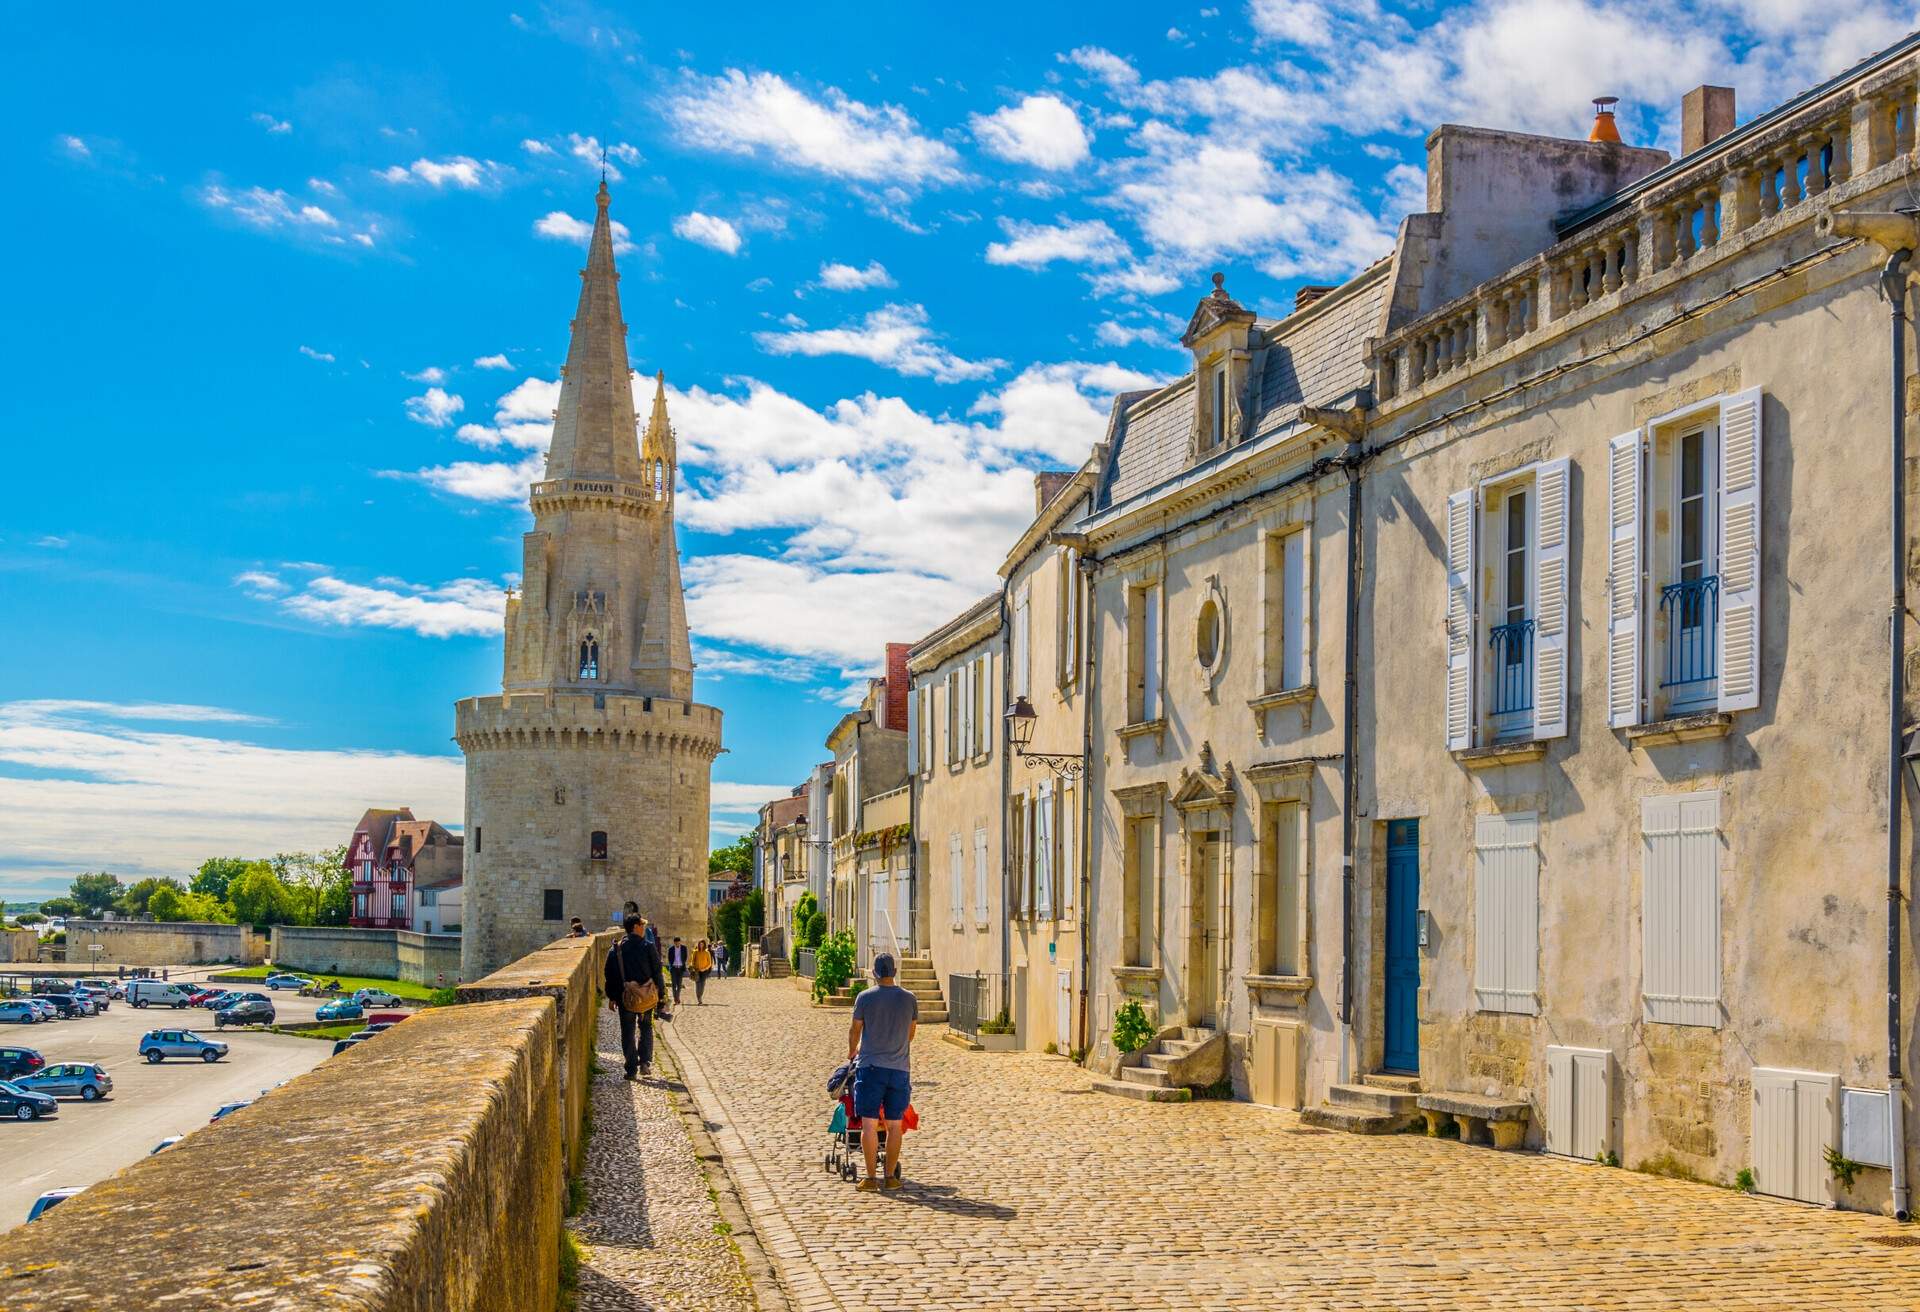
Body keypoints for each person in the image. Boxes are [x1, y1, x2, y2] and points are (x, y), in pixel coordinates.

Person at [848, 952, 917, 1191]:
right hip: (899, 1069)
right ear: (894, 973)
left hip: (871, 1068)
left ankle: (870, 1178)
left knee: (868, 1125)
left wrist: (851, 1051)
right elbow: (911, 1033)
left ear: (875, 974)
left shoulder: (865, 997)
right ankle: (890, 1176)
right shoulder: (909, 999)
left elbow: (855, 1029)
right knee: (895, 1125)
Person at [604, 913, 669, 1080]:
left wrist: (612, 997)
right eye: (642, 925)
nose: (644, 928)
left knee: (628, 1031)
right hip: (647, 996)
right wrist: (661, 996)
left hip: (625, 997)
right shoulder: (648, 947)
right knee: (646, 1027)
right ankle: (645, 1062)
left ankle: (631, 1068)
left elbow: (610, 974)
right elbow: (657, 973)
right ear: (635, 927)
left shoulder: (616, 949)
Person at [666, 936, 689, 1004]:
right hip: (673, 968)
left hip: (680, 968)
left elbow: (685, 957)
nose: (677, 944)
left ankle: (677, 997)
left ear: (680, 942)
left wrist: (682, 963)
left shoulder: (684, 948)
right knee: (674, 984)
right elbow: (669, 958)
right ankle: (676, 999)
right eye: (676, 943)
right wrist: (672, 964)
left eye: (678, 943)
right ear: (674, 943)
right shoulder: (671, 949)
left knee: (679, 984)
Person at [690, 938, 714, 1004]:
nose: (701, 946)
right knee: (698, 984)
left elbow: (709, 963)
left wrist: (705, 968)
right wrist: (693, 967)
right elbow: (692, 961)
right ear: (698, 944)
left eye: (702, 944)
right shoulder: (695, 952)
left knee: (702, 984)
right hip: (697, 971)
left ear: (704, 945)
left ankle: (700, 996)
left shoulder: (707, 952)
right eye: (700, 944)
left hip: (704, 971)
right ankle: (699, 998)